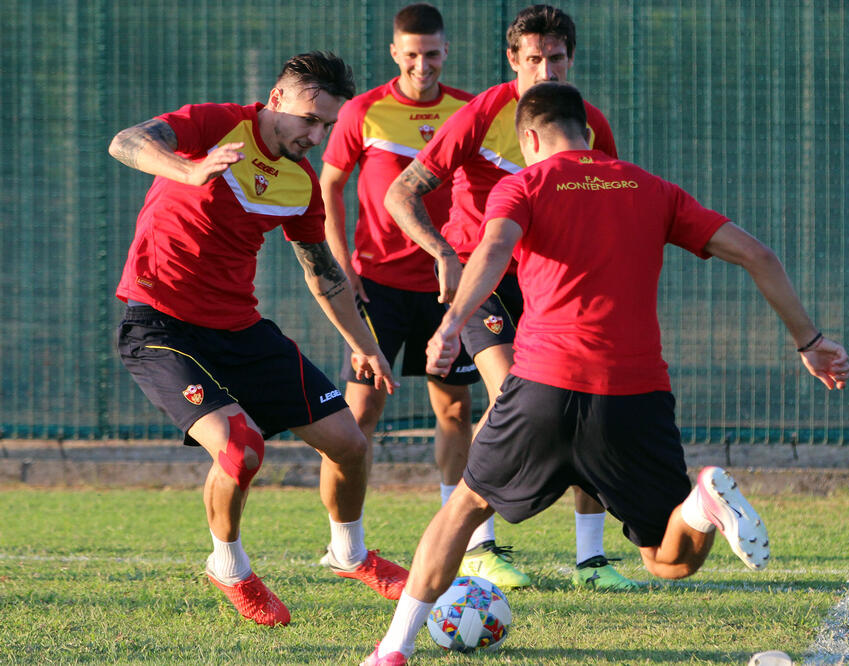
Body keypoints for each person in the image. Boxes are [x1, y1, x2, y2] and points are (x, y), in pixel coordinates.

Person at [361, 81, 849, 664]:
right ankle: (701, 506)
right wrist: (810, 340)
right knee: (669, 561)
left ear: (529, 138)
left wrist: (450, 325)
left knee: (466, 507)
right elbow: (758, 255)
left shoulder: (524, 182)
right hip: (635, 397)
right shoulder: (651, 188)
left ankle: (393, 651)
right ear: (589, 133)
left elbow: (492, 250)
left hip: (542, 386)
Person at [109, 51, 409, 627]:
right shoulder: (214, 123)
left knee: (349, 442)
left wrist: (363, 343)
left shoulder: (301, 183)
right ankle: (229, 566)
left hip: (241, 330)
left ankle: (350, 554)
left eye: (327, 125)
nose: (316, 135)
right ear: (275, 101)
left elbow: (322, 273)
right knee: (241, 448)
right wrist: (186, 169)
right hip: (158, 322)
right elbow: (125, 142)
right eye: (309, 119)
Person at [384, 3, 636, 592]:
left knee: (587, 401)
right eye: (533, 60)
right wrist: (443, 253)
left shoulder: (590, 123)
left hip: (554, 285)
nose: (545, 72)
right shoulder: (483, 113)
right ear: (512, 62)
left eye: (555, 59)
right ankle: (478, 546)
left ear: (571, 59)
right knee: (509, 405)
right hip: (485, 279)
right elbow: (403, 193)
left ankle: (591, 559)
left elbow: (611, 204)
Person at [318, 4, 479, 574]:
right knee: (357, 415)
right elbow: (329, 185)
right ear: (394, 53)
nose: (422, 65)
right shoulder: (364, 111)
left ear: (445, 51)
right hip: (377, 287)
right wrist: (342, 261)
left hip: (446, 288)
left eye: (432, 54)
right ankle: (344, 542)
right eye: (411, 54)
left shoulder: (467, 110)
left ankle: (454, 531)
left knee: (455, 410)